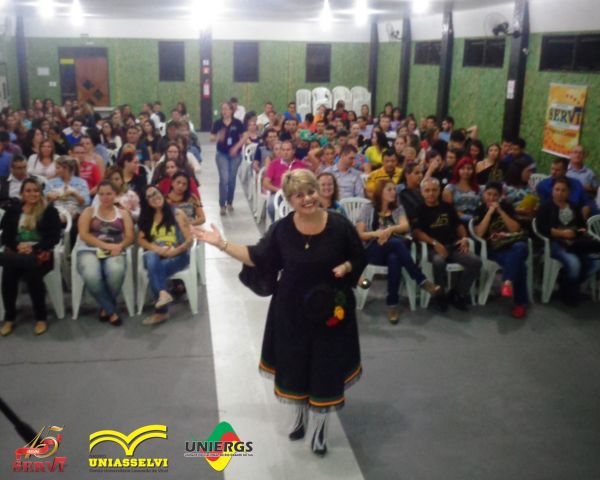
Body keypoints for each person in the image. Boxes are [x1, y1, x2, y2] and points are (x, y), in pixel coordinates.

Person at [192, 169, 367, 456]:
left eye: (310, 191)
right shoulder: (282, 230)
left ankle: (320, 430)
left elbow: (359, 255)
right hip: (291, 313)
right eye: (299, 195)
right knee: (295, 366)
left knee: (324, 370)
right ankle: (299, 417)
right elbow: (256, 257)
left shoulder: (339, 225)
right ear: (289, 200)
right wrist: (221, 243)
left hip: (331, 314)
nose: (307, 199)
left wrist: (347, 267)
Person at [357, 180, 441, 322]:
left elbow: (405, 226)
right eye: (389, 189)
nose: (393, 192)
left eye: (394, 189)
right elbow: (360, 234)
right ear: (380, 192)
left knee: (394, 258)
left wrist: (389, 230)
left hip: (393, 249)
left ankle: (393, 304)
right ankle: (421, 279)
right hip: (373, 250)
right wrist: (377, 234)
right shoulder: (368, 208)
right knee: (395, 244)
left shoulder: (398, 208)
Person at [0, 178, 62, 336]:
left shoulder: (49, 211)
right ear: (22, 193)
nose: (32, 194)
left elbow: (54, 237)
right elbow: (6, 236)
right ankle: (9, 318)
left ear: (41, 193)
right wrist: (17, 246)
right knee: (8, 274)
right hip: (18, 253)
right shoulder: (14, 210)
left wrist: (34, 248)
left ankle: (41, 317)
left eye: (36, 190)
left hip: (41, 254)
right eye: (28, 191)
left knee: (32, 271)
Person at [413, 177, 482, 312]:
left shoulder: (447, 207)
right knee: (439, 262)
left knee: (475, 262)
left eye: (434, 190)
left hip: (453, 246)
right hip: (432, 248)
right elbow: (416, 232)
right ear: (422, 192)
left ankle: (458, 294)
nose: (431, 193)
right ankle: (440, 295)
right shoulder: (419, 209)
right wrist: (434, 243)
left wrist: (464, 238)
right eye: (427, 190)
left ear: (439, 191)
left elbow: (459, 225)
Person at [76, 180, 135, 326]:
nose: (105, 197)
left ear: (115, 194)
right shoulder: (89, 212)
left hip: (115, 249)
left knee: (116, 271)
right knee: (91, 275)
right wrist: (106, 246)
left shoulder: (123, 214)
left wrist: (119, 246)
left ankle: (105, 308)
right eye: (101, 194)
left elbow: (129, 237)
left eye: (109, 194)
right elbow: (84, 235)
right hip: (89, 249)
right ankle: (111, 310)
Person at [536, 177, 600, 306]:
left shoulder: (574, 207)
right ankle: (569, 293)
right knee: (574, 263)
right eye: (557, 190)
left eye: (563, 190)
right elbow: (541, 228)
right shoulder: (545, 207)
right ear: (552, 190)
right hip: (555, 243)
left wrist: (575, 232)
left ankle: (566, 284)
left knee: (595, 264)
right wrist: (560, 233)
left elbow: (582, 227)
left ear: (569, 192)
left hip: (575, 243)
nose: (559, 193)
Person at [137, 186, 193, 325]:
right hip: (157, 254)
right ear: (146, 202)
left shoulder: (177, 213)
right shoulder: (147, 217)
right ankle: (163, 293)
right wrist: (157, 249)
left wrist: (175, 251)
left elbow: (189, 240)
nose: (154, 198)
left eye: (155, 193)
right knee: (151, 257)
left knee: (154, 269)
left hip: (177, 254)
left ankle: (161, 311)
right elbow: (141, 240)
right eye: (149, 197)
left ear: (161, 193)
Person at [473, 182, 529, 318]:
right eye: (489, 194)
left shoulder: (507, 207)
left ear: (500, 196)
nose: (491, 198)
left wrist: (501, 212)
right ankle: (520, 304)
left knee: (520, 246)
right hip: (493, 249)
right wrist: (489, 213)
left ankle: (507, 281)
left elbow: (515, 229)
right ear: (484, 194)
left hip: (511, 246)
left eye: (495, 195)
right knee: (520, 266)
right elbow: (479, 233)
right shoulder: (480, 209)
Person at [211, 102, 248, 215]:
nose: (224, 111)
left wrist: (236, 147)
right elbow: (211, 137)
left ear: (231, 111)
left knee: (231, 179)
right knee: (224, 179)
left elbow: (245, 136)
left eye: (226, 109)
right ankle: (222, 205)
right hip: (222, 154)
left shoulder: (237, 123)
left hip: (235, 155)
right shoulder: (218, 123)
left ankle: (230, 202)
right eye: (223, 109)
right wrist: (219, 137)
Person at [263, 140, 310, 220]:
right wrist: (279, 190)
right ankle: (277, 224)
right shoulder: (274, 164)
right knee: (271, 206)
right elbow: (266, 183)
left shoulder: (301, 165)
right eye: (283, 150)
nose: (285, 152)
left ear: (293, 151)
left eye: (288, 150)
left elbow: (307, 182)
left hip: (296, 194)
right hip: (278, 193)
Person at [442, 157, 480, 223]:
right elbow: (448, 209)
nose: (466, 171)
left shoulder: (479, 188)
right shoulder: (449, 188)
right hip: (456, 221)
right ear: (458, 170)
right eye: (462, 168)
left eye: (469, 168)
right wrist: (464, 217)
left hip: (476, 220)